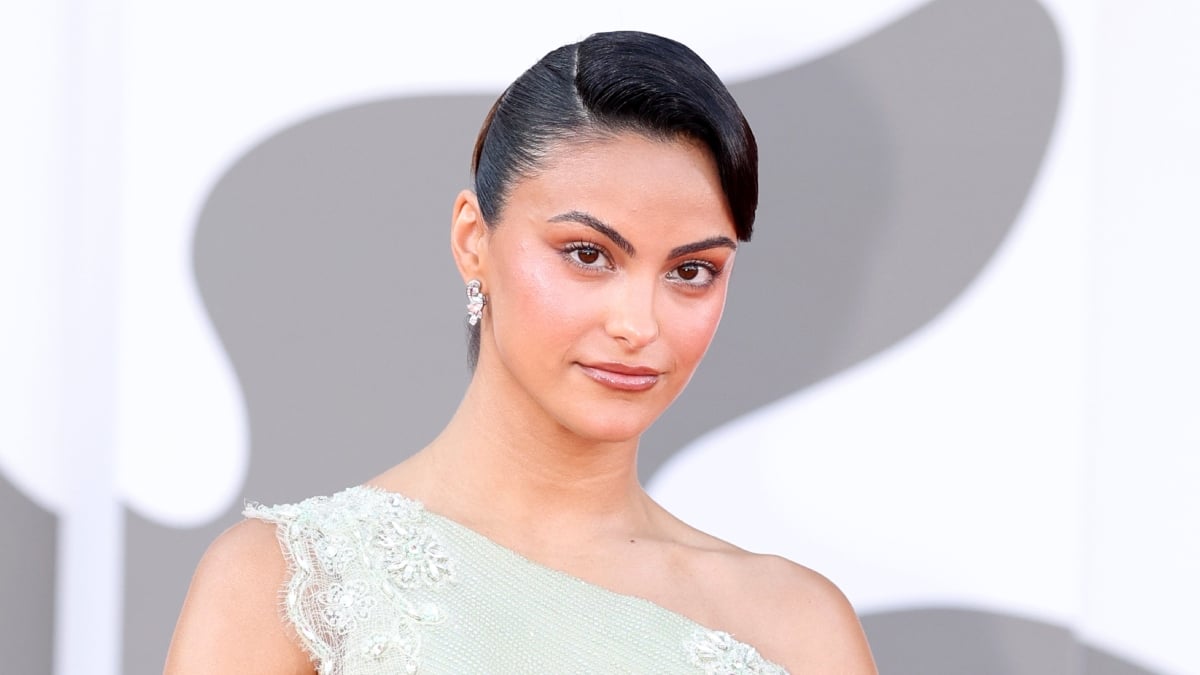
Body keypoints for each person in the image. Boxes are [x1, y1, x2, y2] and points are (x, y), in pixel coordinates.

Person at [164, 30, 877, 674]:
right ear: (474, 240)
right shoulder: (287, 584)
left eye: (691, 271)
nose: (638, 323)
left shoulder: (798, 628)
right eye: (587, 254)